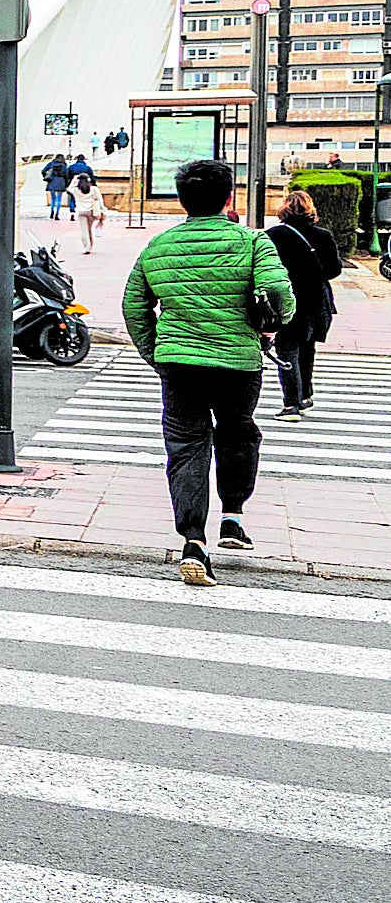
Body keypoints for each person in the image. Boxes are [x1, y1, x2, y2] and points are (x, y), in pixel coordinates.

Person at [123, 158, 293, 587]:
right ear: (228, 197)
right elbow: (277, 294)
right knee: (238, 431)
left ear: (181, 199)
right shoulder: (253, 242)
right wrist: (272, 323)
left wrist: (156, 352)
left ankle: (193, 541)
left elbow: (134, 305)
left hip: (179, 364)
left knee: (186, 445)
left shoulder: (158, 246)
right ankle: (233, 517)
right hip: (238, 362)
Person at [267, 189, 344, 423]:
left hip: (288, 299)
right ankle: (305, 396)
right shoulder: (323, 235)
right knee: (308, 348)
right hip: (318, 301)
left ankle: (291, 404)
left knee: (287, 348)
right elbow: (335, 269)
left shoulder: (274, 235)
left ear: (285, 208)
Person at [75, 167, 107, 254]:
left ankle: (86, 246)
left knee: (83, 230)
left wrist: (75, 179)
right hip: (91, 211)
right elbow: (100, 200)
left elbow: (68, 188)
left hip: (81, 211)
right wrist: (103, 209)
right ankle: (90, 245)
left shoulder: (76, 190)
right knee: (89, 229)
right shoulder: (94, 189)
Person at [41, 155, 71, 220]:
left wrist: (46, 177)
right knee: (59, 199)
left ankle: (51, 212)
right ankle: (57, 214)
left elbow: (43, 171)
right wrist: (66, 184)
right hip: (61, 182)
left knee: (52, 199)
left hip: (52, 181)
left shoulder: (51, 164)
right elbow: (66, 175)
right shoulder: (64, 165)